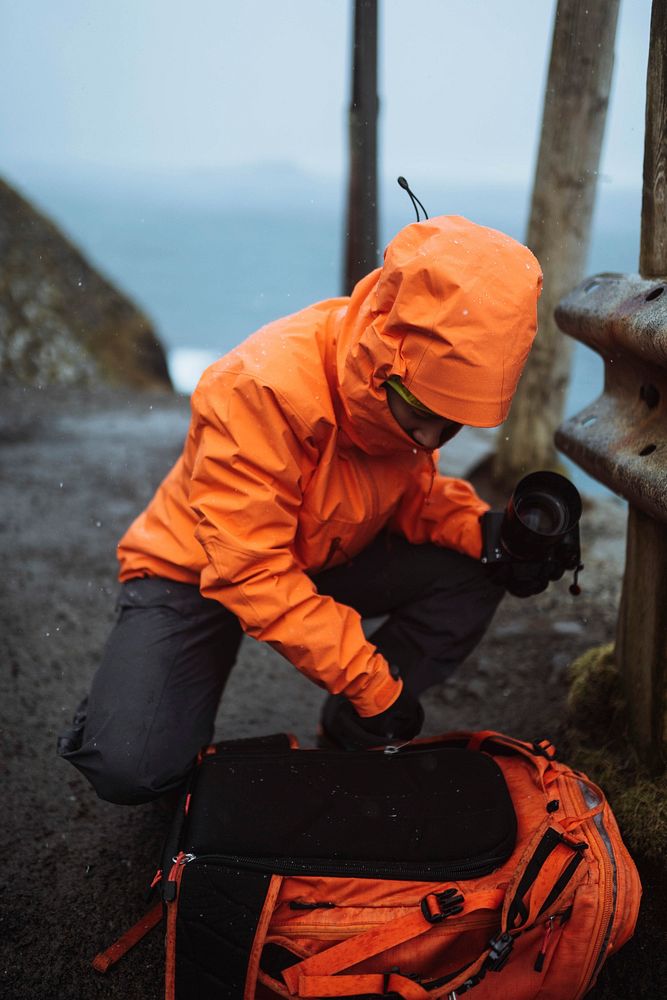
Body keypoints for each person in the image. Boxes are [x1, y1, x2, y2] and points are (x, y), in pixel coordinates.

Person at [58, 214, 543, 804]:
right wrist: (371, 681)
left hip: (320, 553)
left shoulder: (407, 398)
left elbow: (403, 492)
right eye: (420, 414)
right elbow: (250, 571)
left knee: (477, 564)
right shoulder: (258, 387)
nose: (432, 438)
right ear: (386, 359)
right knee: (131, 768)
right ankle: (121, 704)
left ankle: (351, 732)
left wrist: (485, 532)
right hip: (199, 570)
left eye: (453, 422)